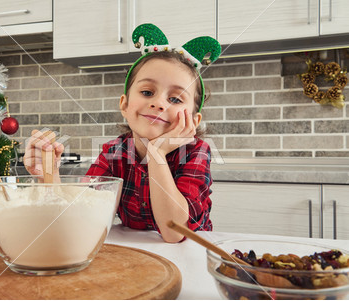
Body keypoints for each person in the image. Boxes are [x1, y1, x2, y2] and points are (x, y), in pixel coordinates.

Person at [24, 24, 221, 243]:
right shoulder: (114, 152)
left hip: (191, 255)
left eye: (175, 99)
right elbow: (82, 214)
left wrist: (156, 153)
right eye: (147, 92)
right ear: (125, 105)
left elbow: (175, 233)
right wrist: (50, 176)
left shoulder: (197, 152)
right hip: (134, 256)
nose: (158, 103)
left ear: (193, 121)